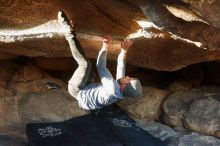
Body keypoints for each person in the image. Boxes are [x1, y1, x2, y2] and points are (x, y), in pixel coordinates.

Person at [58, 10, 142, 110]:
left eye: (129, 79)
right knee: (90, 72)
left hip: (77, 91)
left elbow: (100, 66)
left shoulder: (112, 88)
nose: (127, 76)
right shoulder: (121, 90)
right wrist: (124, 51)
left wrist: (105, 46)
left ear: (124, 86)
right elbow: (121, 67)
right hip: (88, 87)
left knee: (85, 65)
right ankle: (75, 62)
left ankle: (68, 32)